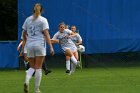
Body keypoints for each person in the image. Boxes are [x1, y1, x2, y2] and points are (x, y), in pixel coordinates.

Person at [22, 3, 54, 93]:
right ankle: (36, 89)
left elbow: (24, 33)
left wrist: (26, 40)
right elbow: (46, 34)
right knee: (38, 68)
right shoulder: (43, 20)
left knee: (31, 67)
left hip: (29, 45)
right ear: (42, 10)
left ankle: (26, 81)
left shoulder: (27, 19)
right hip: (39, 45)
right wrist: (51, 47)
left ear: (33, 10)